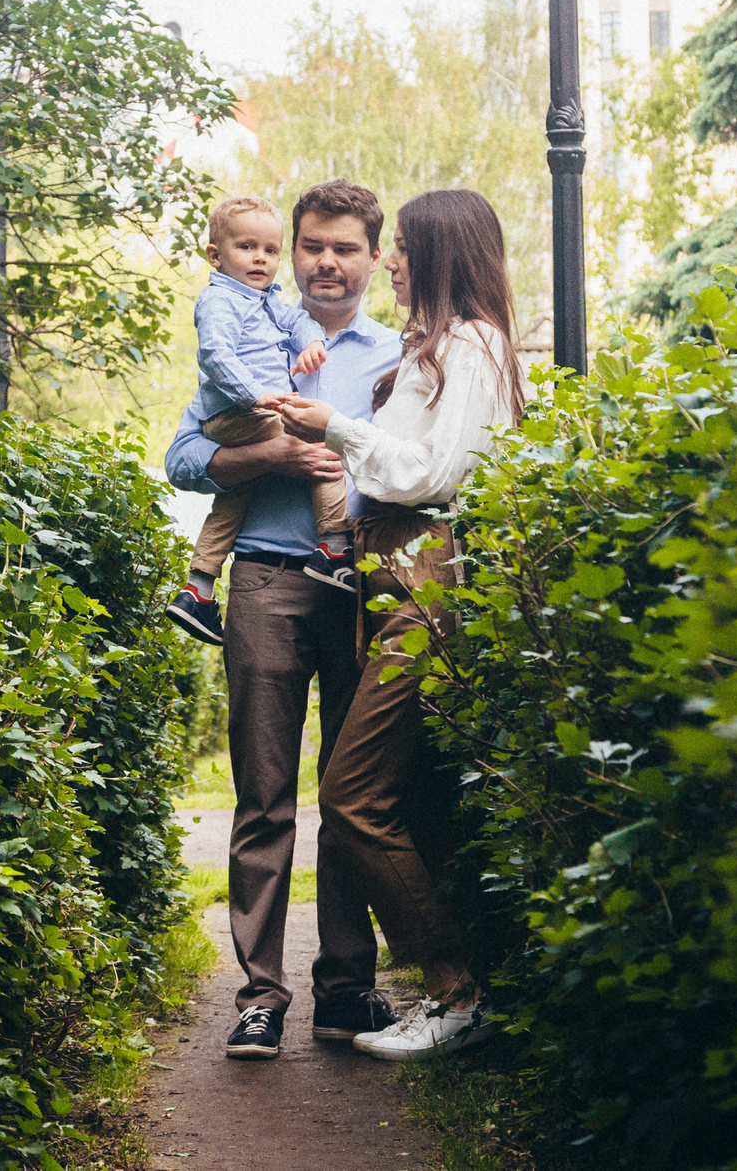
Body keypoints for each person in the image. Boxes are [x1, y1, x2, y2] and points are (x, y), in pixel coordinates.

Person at [263, 187, 525, 1064]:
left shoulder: (475, 345)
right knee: (407, 796)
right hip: (386, 572)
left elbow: (427, 470)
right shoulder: (433, 348)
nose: (393, 261)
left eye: (405, 247)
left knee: (352, 793)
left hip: (424, 573)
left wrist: (335, 426)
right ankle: (472, 989)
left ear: (441, 253)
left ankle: (459, 992)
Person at [164, 178, 403, 1062]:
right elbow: (184, 455)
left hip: (360, 590)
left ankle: (347, 989)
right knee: (264, 797)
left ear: (374, 257)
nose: (326, 262)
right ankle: (261, 995)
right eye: (312, 246)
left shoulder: (400, 355)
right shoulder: (253, 332)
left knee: (350, 795)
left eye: (345, 247)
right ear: (292, 253)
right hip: (263, 582)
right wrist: (269, 450)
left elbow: (418, 466)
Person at [166, 195, 352, 650]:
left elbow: (300, 321)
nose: (260, 259)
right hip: (241, 412)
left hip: (249, 413)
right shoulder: (220, 301)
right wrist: (256, 396)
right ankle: (333, 543)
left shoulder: (269, 301)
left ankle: (199, 587)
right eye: (248, 247)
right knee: (320, 444)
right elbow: (214, 355)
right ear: (215, 255)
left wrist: (310, 344)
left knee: (237, 494)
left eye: (269, 250)